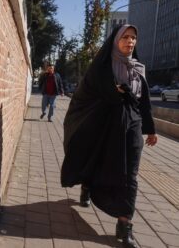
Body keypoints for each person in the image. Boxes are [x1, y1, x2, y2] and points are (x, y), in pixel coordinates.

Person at [60, 25, 157, 248]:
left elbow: (144, 101)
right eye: (125, 37)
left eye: (134, 37)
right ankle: (87, 185)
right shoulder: (102, 67)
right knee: (97, 159)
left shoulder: (139, 68)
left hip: (132, 124)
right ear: (115, 40)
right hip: (103, 124)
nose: (130, 41)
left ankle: (125, 226)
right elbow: (89, 93)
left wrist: (150, 129)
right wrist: (115, 91)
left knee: (130, 173)